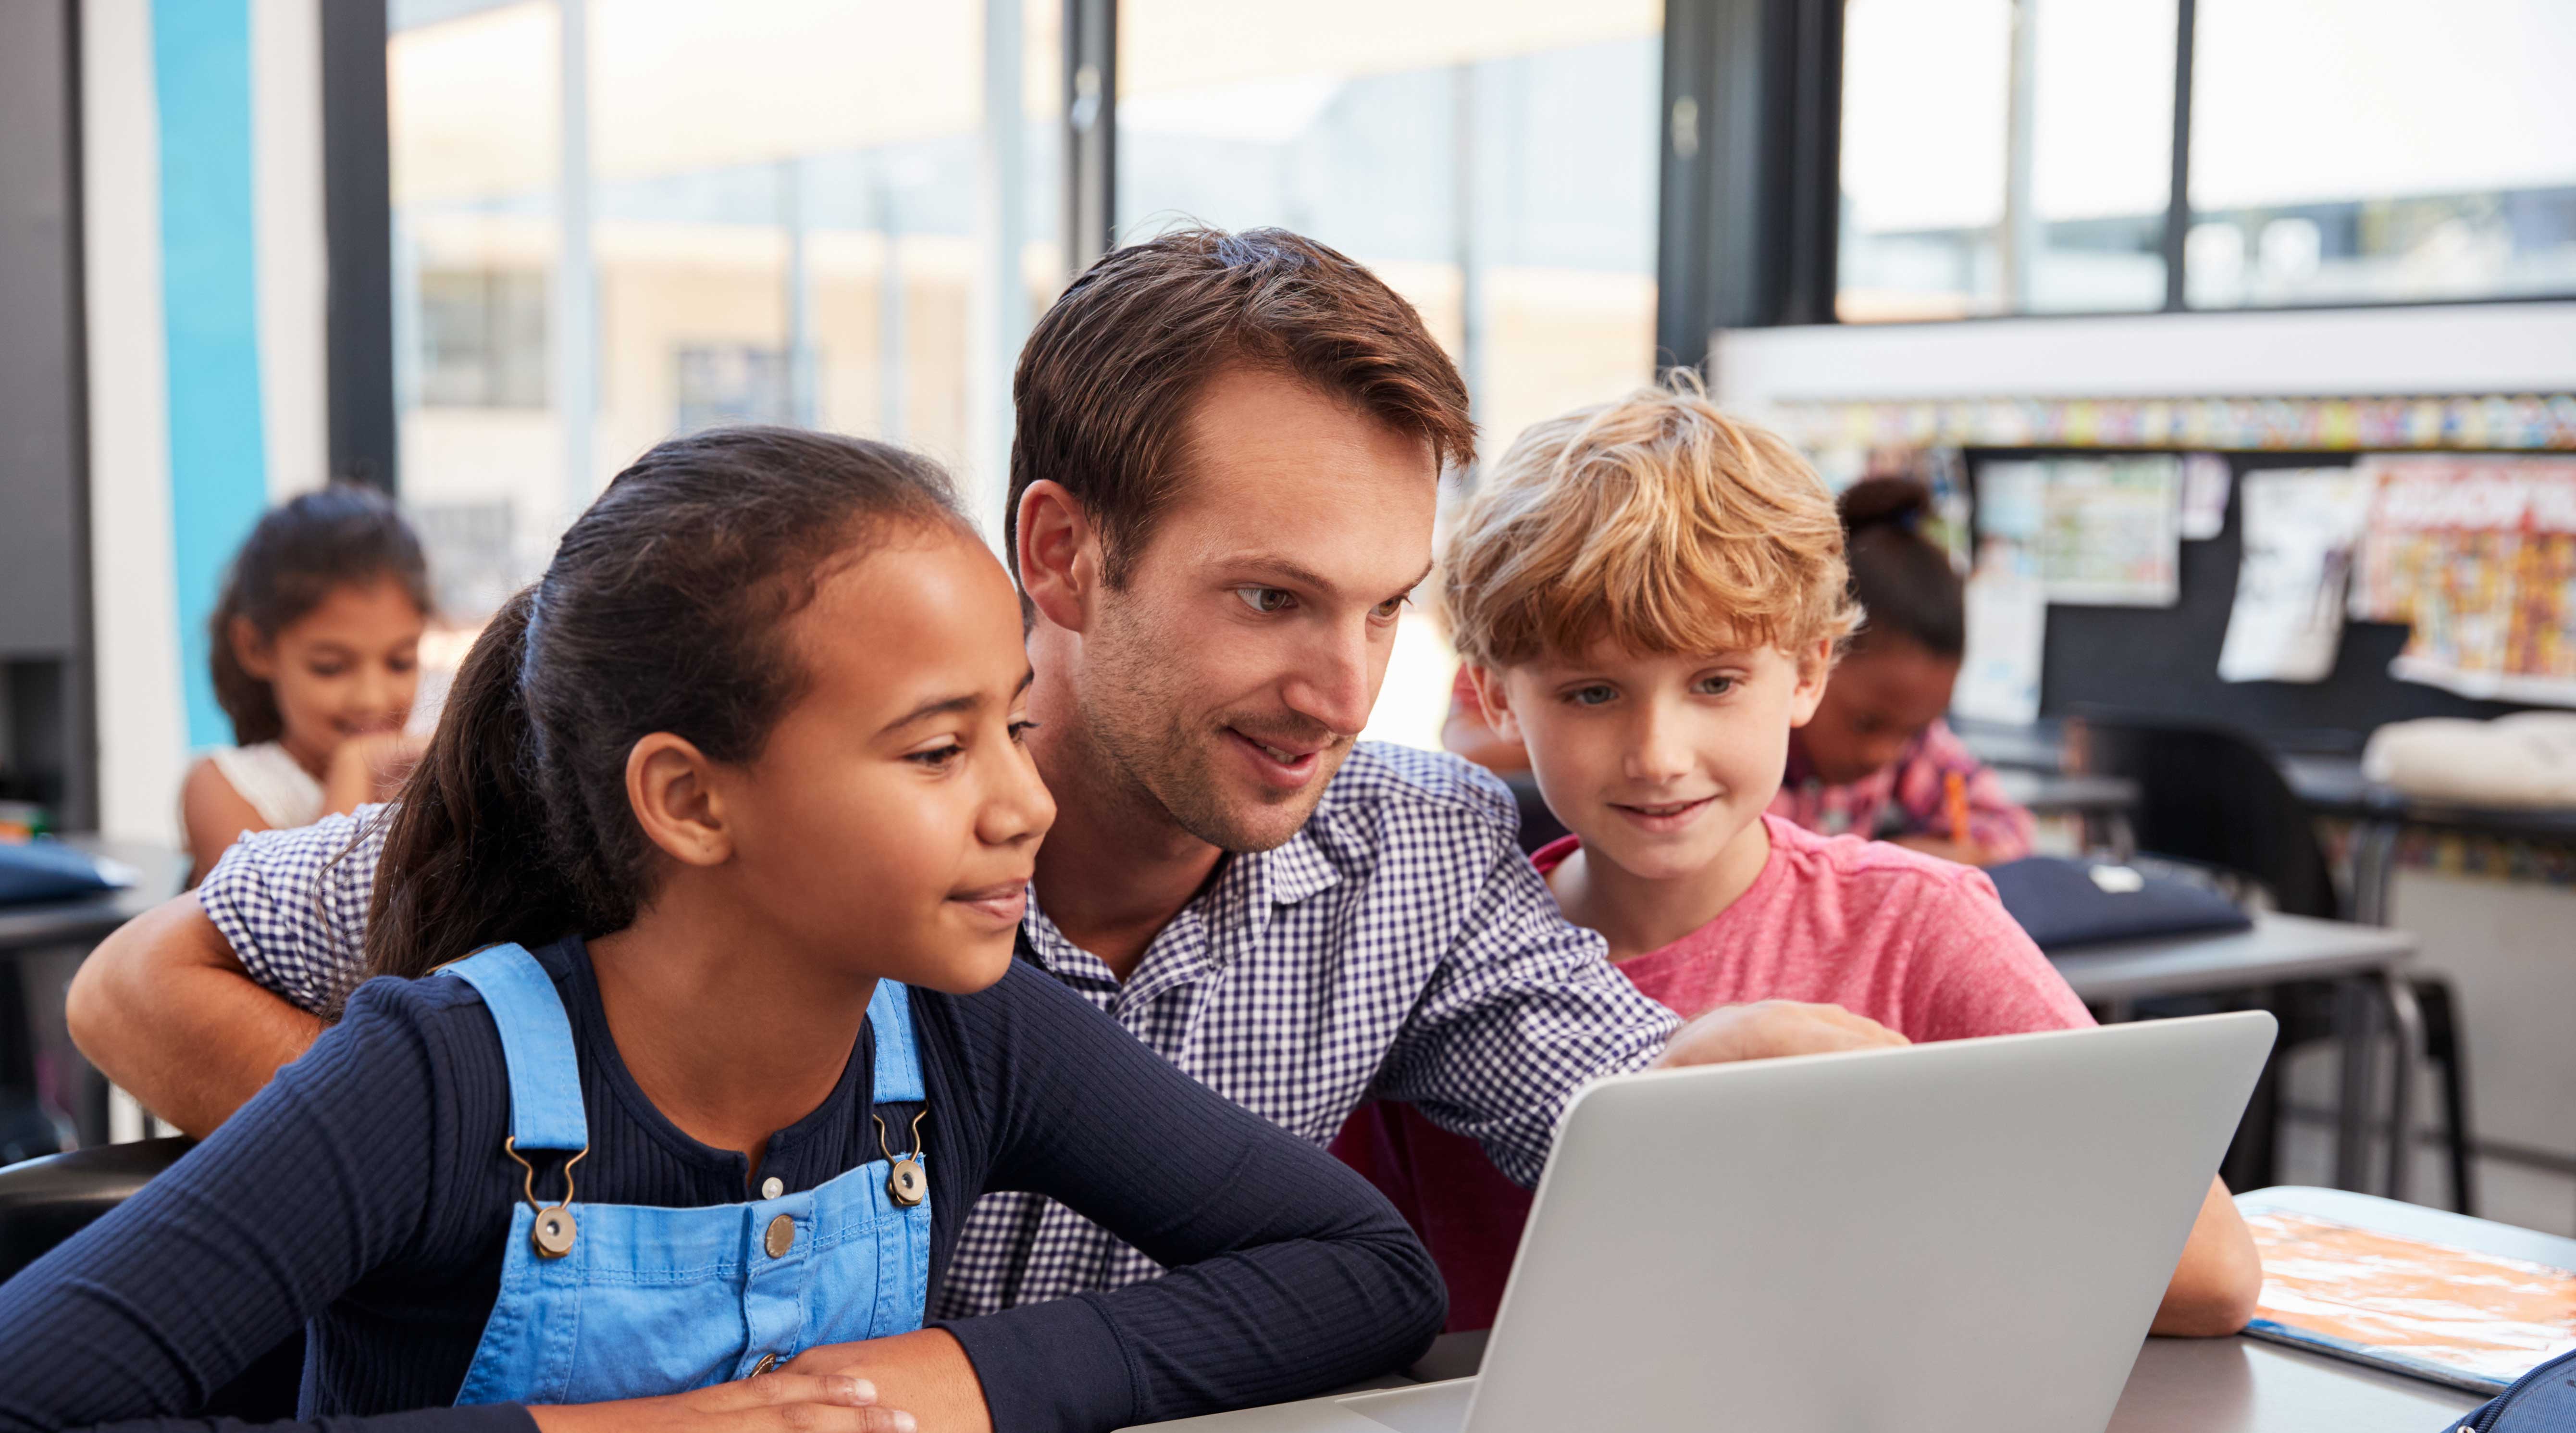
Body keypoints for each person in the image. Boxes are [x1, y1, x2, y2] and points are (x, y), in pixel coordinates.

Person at [69, 228, 1900, 1323]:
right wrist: (474, 1211)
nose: (1342, 688)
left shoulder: (1416, 853)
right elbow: (141, 982)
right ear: (1064, 552)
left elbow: (1612, 1091)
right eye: (1269, 597)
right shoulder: (794, 798)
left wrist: (1776, 1077)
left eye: (1382, 608)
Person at [0, 427, 1444, 1433]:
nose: (1026, 804)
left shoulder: (970, 1033)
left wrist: (963, 1380)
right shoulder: (434, 1082)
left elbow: (1363, 1271)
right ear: (690, 801)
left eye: (1008, 727)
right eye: (938, 750)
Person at [1336, 381, 2260, 1336]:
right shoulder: (1433, 950)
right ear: (1493, 698)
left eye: (1717, 681)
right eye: (1592, 694)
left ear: (1809, 670)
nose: (1658, 753)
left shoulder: (1916, 925)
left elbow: (2211, 1273)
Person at [1773, 475, 2033, 866]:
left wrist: (1907, 861)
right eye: (1865, 723)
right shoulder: (1751, 759)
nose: (1884, 754)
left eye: (1911, 731)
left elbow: (2010, 828)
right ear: (1807, 661)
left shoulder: (1909, 746)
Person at [182, 486, 433, 883]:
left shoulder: (425, 774)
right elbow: (314, 931)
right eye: (331, 668)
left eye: (400, 662)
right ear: (256, 648)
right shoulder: (222, 788)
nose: (373, 697)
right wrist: (354, 769)